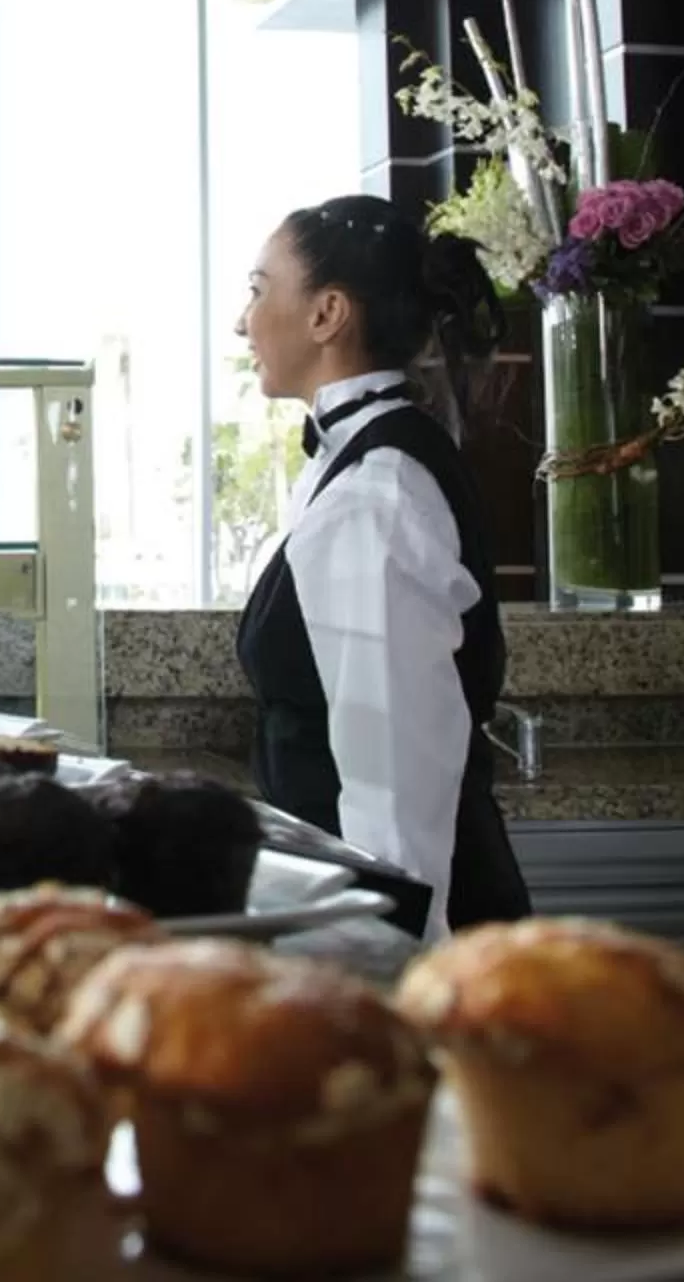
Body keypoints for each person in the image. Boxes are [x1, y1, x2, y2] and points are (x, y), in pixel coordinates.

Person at [231, 193, 531, 940]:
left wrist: (391, 985)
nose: (242, 320)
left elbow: (394, 791)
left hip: (411, 938)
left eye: (259, 288)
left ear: (327, 314)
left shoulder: (377, 493)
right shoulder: (361, 465)